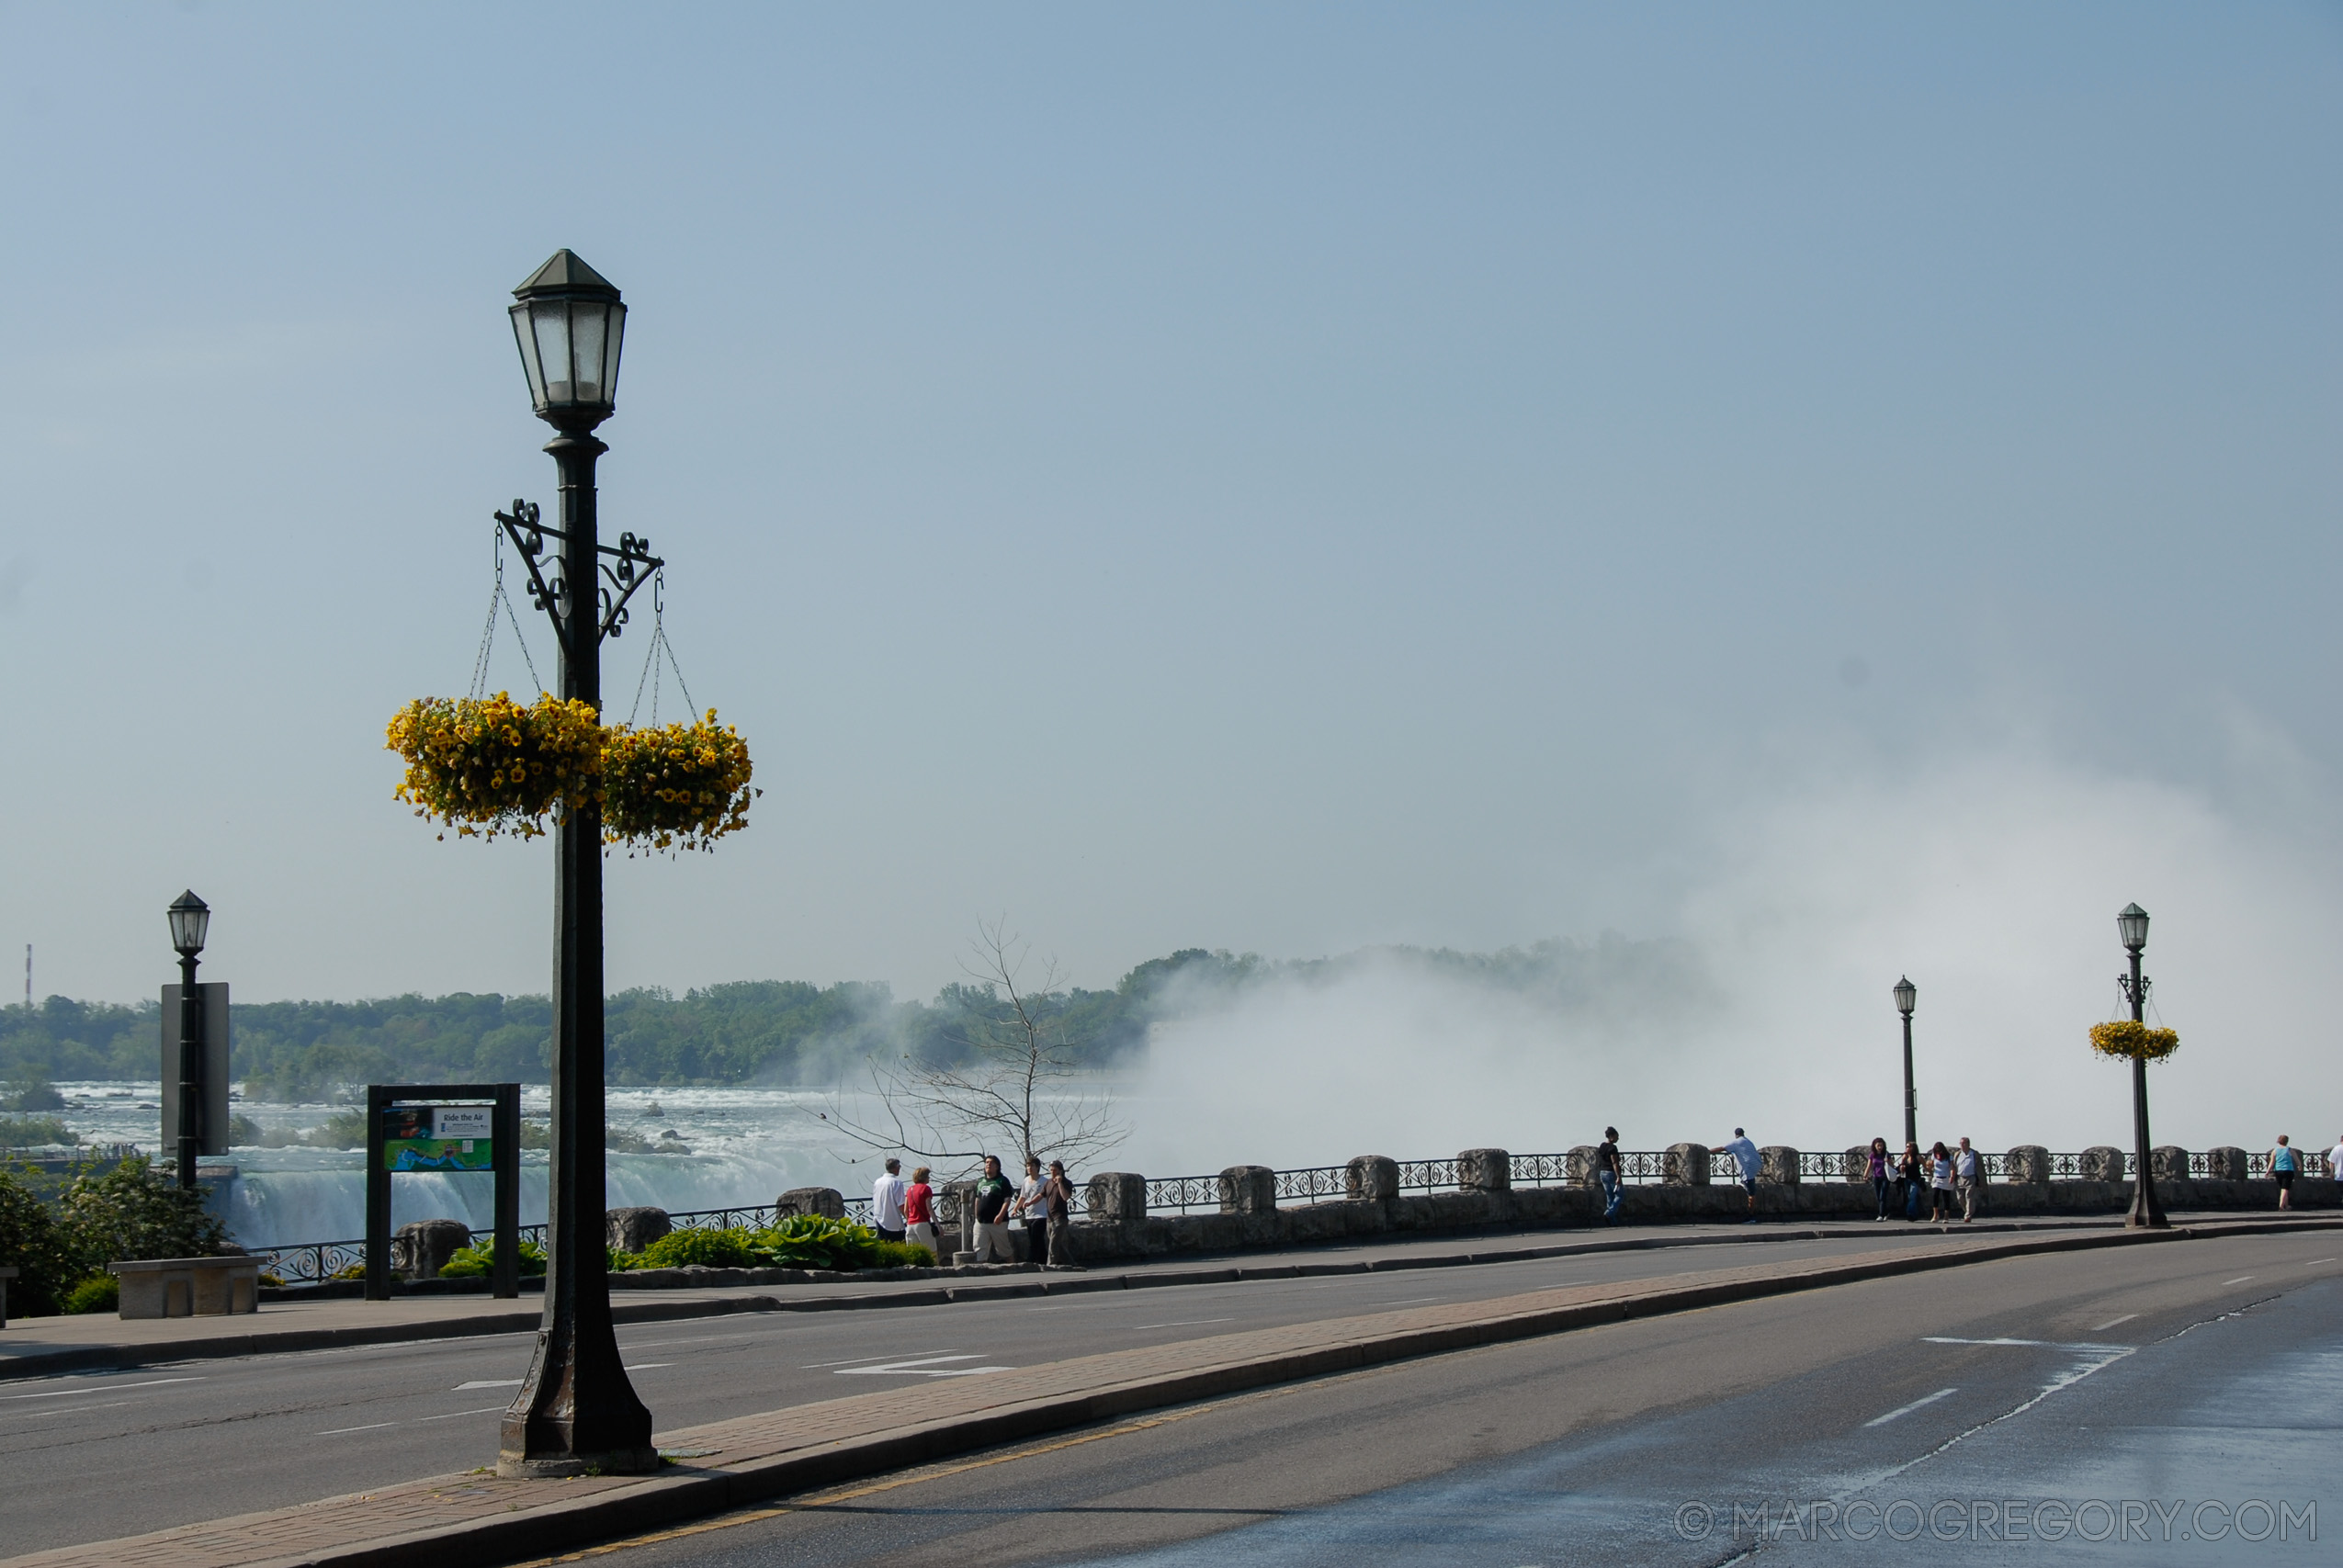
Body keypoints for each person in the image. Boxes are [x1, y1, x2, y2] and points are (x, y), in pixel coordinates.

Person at [971, 1154, 1016, 1262]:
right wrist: (976, 1215)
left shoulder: (1002, 1181)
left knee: (1004, 1250)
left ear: (997, 1167)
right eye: (987, 1163)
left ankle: (1013, 1268)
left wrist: (1000, 1215)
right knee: (979, 1249)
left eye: (991, 1163)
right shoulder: (980, 1181)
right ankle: (981, 1272)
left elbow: (1007, 1200)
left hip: (997, 1222)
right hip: (981, 1222)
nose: (988, 1165)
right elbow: (977, 1199)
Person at [1007, 1154, 1050, 1264]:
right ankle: (1044, 1260)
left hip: (1041, 1215)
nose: (1029, 1168)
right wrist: (1015, 1209)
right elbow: (1022, 1196)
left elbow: (1046, 1197)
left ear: (1037, 1167)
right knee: (1036, 1239)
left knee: (1035, 1239)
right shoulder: (1025, 1181)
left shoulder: (1044, 1181)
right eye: (1028, 1166)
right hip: (1029, 1214)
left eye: (1032, 1166)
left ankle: (1030, 1261)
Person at [1712, 1128, 1761, 1222]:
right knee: (1750, 1190)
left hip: (1748, 1169)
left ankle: (1751, 1216)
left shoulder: (1737, 1142)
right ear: (1743, 1134)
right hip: (1755, 1166)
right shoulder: (1748, 1141)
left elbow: (1722, 1148)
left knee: (1751, 1194)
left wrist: (1707, 1151)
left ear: (1736, 1135)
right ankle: (1751, 1214)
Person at [1042, 1159, 1077, 1265]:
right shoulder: (1048, 1183)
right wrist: (1029, 1203)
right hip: (1050, 1218)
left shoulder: (1067, 1183)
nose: (1052, 1172)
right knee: (1057, 1244)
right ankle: (1071, 1263)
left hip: (1060, 1217)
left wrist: (1060, 1183)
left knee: (1053, 1243)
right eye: (1051, 1170)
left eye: (1055, 1170)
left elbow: (1065, 1197)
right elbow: (1041, 1195)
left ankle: (1050, 1264)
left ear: (1060, 1171)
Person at [902, 1165, 938, 1258]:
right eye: (928, 1176)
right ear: (924, 1177)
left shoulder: (909, 1190)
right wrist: (937, 1225)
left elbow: (906, 1210)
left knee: (913, 1253)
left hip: (910, 1225)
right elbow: (929, 1209)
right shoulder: (926, 1189)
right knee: (931, 1252)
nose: (929, 1178)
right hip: (922, 1223)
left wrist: (909, 1220)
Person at [871, 1157, 907, 1244]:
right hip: (893, 1223)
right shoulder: (896, 1183)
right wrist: (908, 1218)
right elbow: (901, 1204)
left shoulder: (877, 1182)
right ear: (896, 1168)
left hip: (879, 1220)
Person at [1594, 1127, 1624, 1224]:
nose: (1618, 1139)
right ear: (1611, 1136)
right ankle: (1609, 1213)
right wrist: (1618, 1176)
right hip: (1611, 1173)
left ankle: (1612, 1221)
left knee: (1610, 1196)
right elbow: (1614, 1162)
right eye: (1616, 1136)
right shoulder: (1612, 1148)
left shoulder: (1602, 1146)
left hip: (1602, 1173)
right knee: (1620, 1195)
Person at [1954, 1137, 1983, 1224]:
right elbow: (1954, 1165)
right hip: (1960, 1177)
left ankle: (1968, 1215)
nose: (1962, 1145)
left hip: (1971, 1177)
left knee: (1969, 1196)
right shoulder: (1958, 1154)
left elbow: (1980, 1167)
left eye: (1964, 1143)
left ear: (1968, 1144)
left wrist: (1980, 1179)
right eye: (1961, 1143)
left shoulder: (1974, 1154)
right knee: (1960, 1198)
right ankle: (1967, 1211)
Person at [1865, 1137, 1892, 1221]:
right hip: (1876, 1177)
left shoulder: (1886, 1154)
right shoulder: (1872, 1155)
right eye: (1878, 1145)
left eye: (1881, 1145)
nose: (1880, 1147)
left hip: (1885, 1178)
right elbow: (1869, 1166)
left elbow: (1892, 1166)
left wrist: (1887, 1161)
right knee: (1878, 1197)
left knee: (1882, 1196)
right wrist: (1865, 1175)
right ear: (1875, 1146)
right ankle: (1886, 1213)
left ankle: (1881, 1215)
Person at [2269, 1135, 2298, 1210]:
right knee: (2285, 1189)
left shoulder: (2275, 1151)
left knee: (2283, 1189)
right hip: (2288, 1170)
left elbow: (2272, 1162)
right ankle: (2281, 1206)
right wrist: (2300, 1165)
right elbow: (2296, 1159)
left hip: (2278, 1171)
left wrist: (2268, 1171)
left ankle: (2287, 1206)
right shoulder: (2289, 1150)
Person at [1898, 1142, 1925, 1221]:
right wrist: (1902, 1164)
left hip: (1915, 1179)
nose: (1907, 1148)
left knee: (1912, 1197)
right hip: (1907, 1179)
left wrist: (1931, 1172)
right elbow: (1901, 1169)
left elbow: (1925, 1166)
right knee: (1910, 1197)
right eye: (1907, 1147)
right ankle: (1915, 1214)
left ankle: (1910, 1214)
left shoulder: (1918, 1157)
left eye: (1909, 1147)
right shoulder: (1905, 1157)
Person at [1929, 1141, 1954, 1222]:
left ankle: (1946, 1216)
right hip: (1937, 1177)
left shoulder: (1949, 1157)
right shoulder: (1934, 1156)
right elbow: (1931, 1165)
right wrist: (1928, 1166)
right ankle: (1935, 1215)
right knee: (1935, 1195)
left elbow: (1951, 1167)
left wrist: (1952, 1176)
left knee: (1946, 1197)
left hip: (1946, 1177)